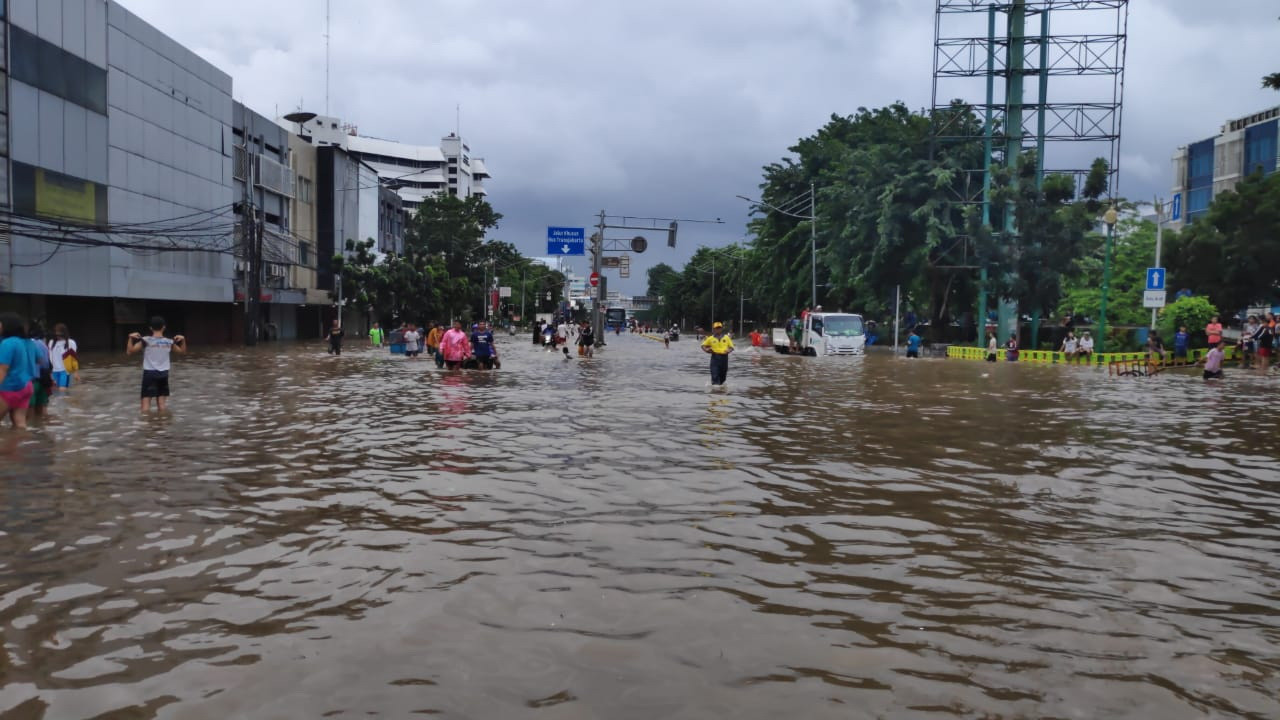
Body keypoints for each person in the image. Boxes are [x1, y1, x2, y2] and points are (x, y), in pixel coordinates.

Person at [127, 316, 186, 412]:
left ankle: (147, 426)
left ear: (151, 328)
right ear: (164, 327)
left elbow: (130, 352)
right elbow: (182, 352)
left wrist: (130, 338)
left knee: (145, 406)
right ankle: (162, 424)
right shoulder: (169, 342)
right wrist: (183, 340)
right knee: (162, 405)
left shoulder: (145, 340)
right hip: (164, 374)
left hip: (149, 374)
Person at [0, 312, 36, 429]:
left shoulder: (7, 343)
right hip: (26, 387)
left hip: (9, 388)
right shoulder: (21, 342)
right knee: (20, 424)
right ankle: (22, 445)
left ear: (6, 325)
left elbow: (3, 369)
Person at [27, 323, 52, 419]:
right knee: (43, 412)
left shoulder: (27, 344)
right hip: (44, 381)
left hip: (31, 382)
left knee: (30, 415)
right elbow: (47, 364)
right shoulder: (43, 344)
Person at [47, 323, 79, 390]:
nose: (58, 337)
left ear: (64, 333)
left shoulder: (71, 343)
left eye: (60, 335)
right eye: (57, 335)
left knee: (62, 392)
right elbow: (49, 357)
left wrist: (75, 372)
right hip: (54, 371)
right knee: (54, 392)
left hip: (65, 371)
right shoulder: (51, 342)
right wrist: (49, 373)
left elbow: (74, 359)